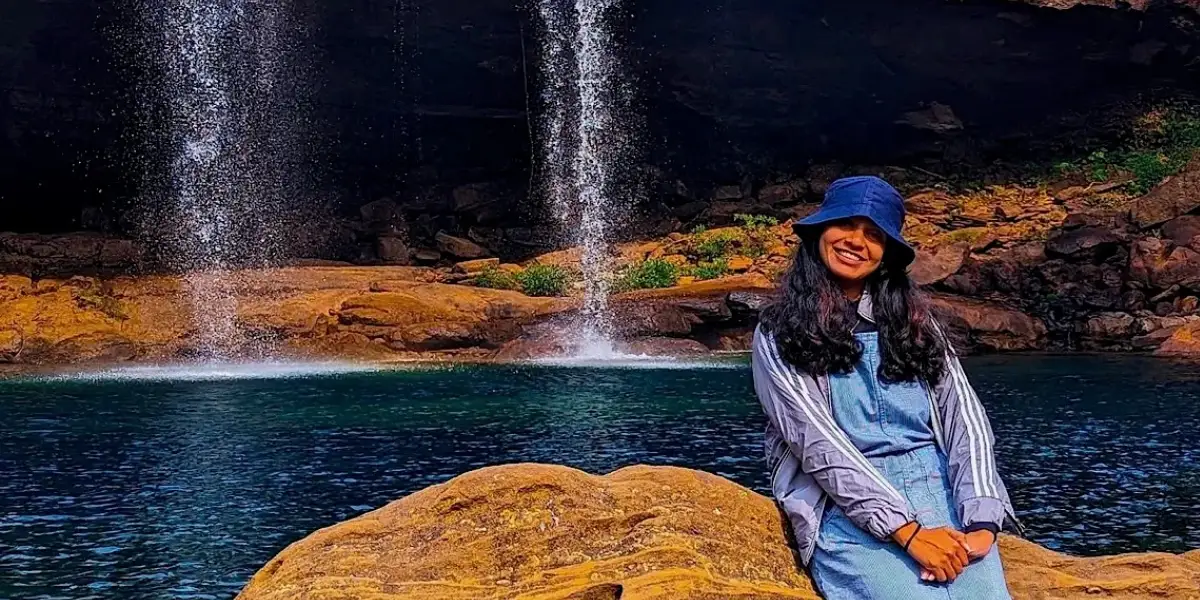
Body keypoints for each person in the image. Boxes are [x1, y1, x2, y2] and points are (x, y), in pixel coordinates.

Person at [750, 176, 1019, 599]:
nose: (856, 242)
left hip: (938, 488)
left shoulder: (917, 323)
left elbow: (965, 420)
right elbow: (816, 441)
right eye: (845, 225)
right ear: (820, 231)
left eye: (874, 235)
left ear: (886, 254)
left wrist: (982, 521)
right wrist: (908, 532)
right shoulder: (778, 330)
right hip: (839, 503)